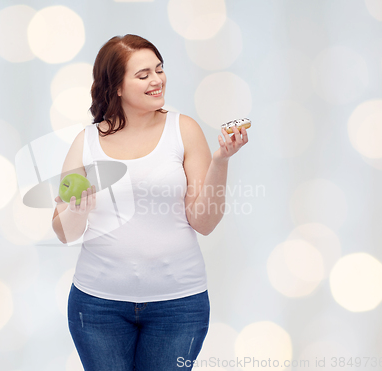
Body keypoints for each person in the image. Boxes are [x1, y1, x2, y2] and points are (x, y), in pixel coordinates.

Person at [52, 34, 248, 371]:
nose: (157, 80)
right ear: (116, 87)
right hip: (97, 307)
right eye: (143, 75)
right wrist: (76, 209)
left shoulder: (183, 130)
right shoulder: (86, 142)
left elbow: (204, 222)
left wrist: (221, 161)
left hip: (179, 307)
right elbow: (65, 232)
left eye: (159, 70)